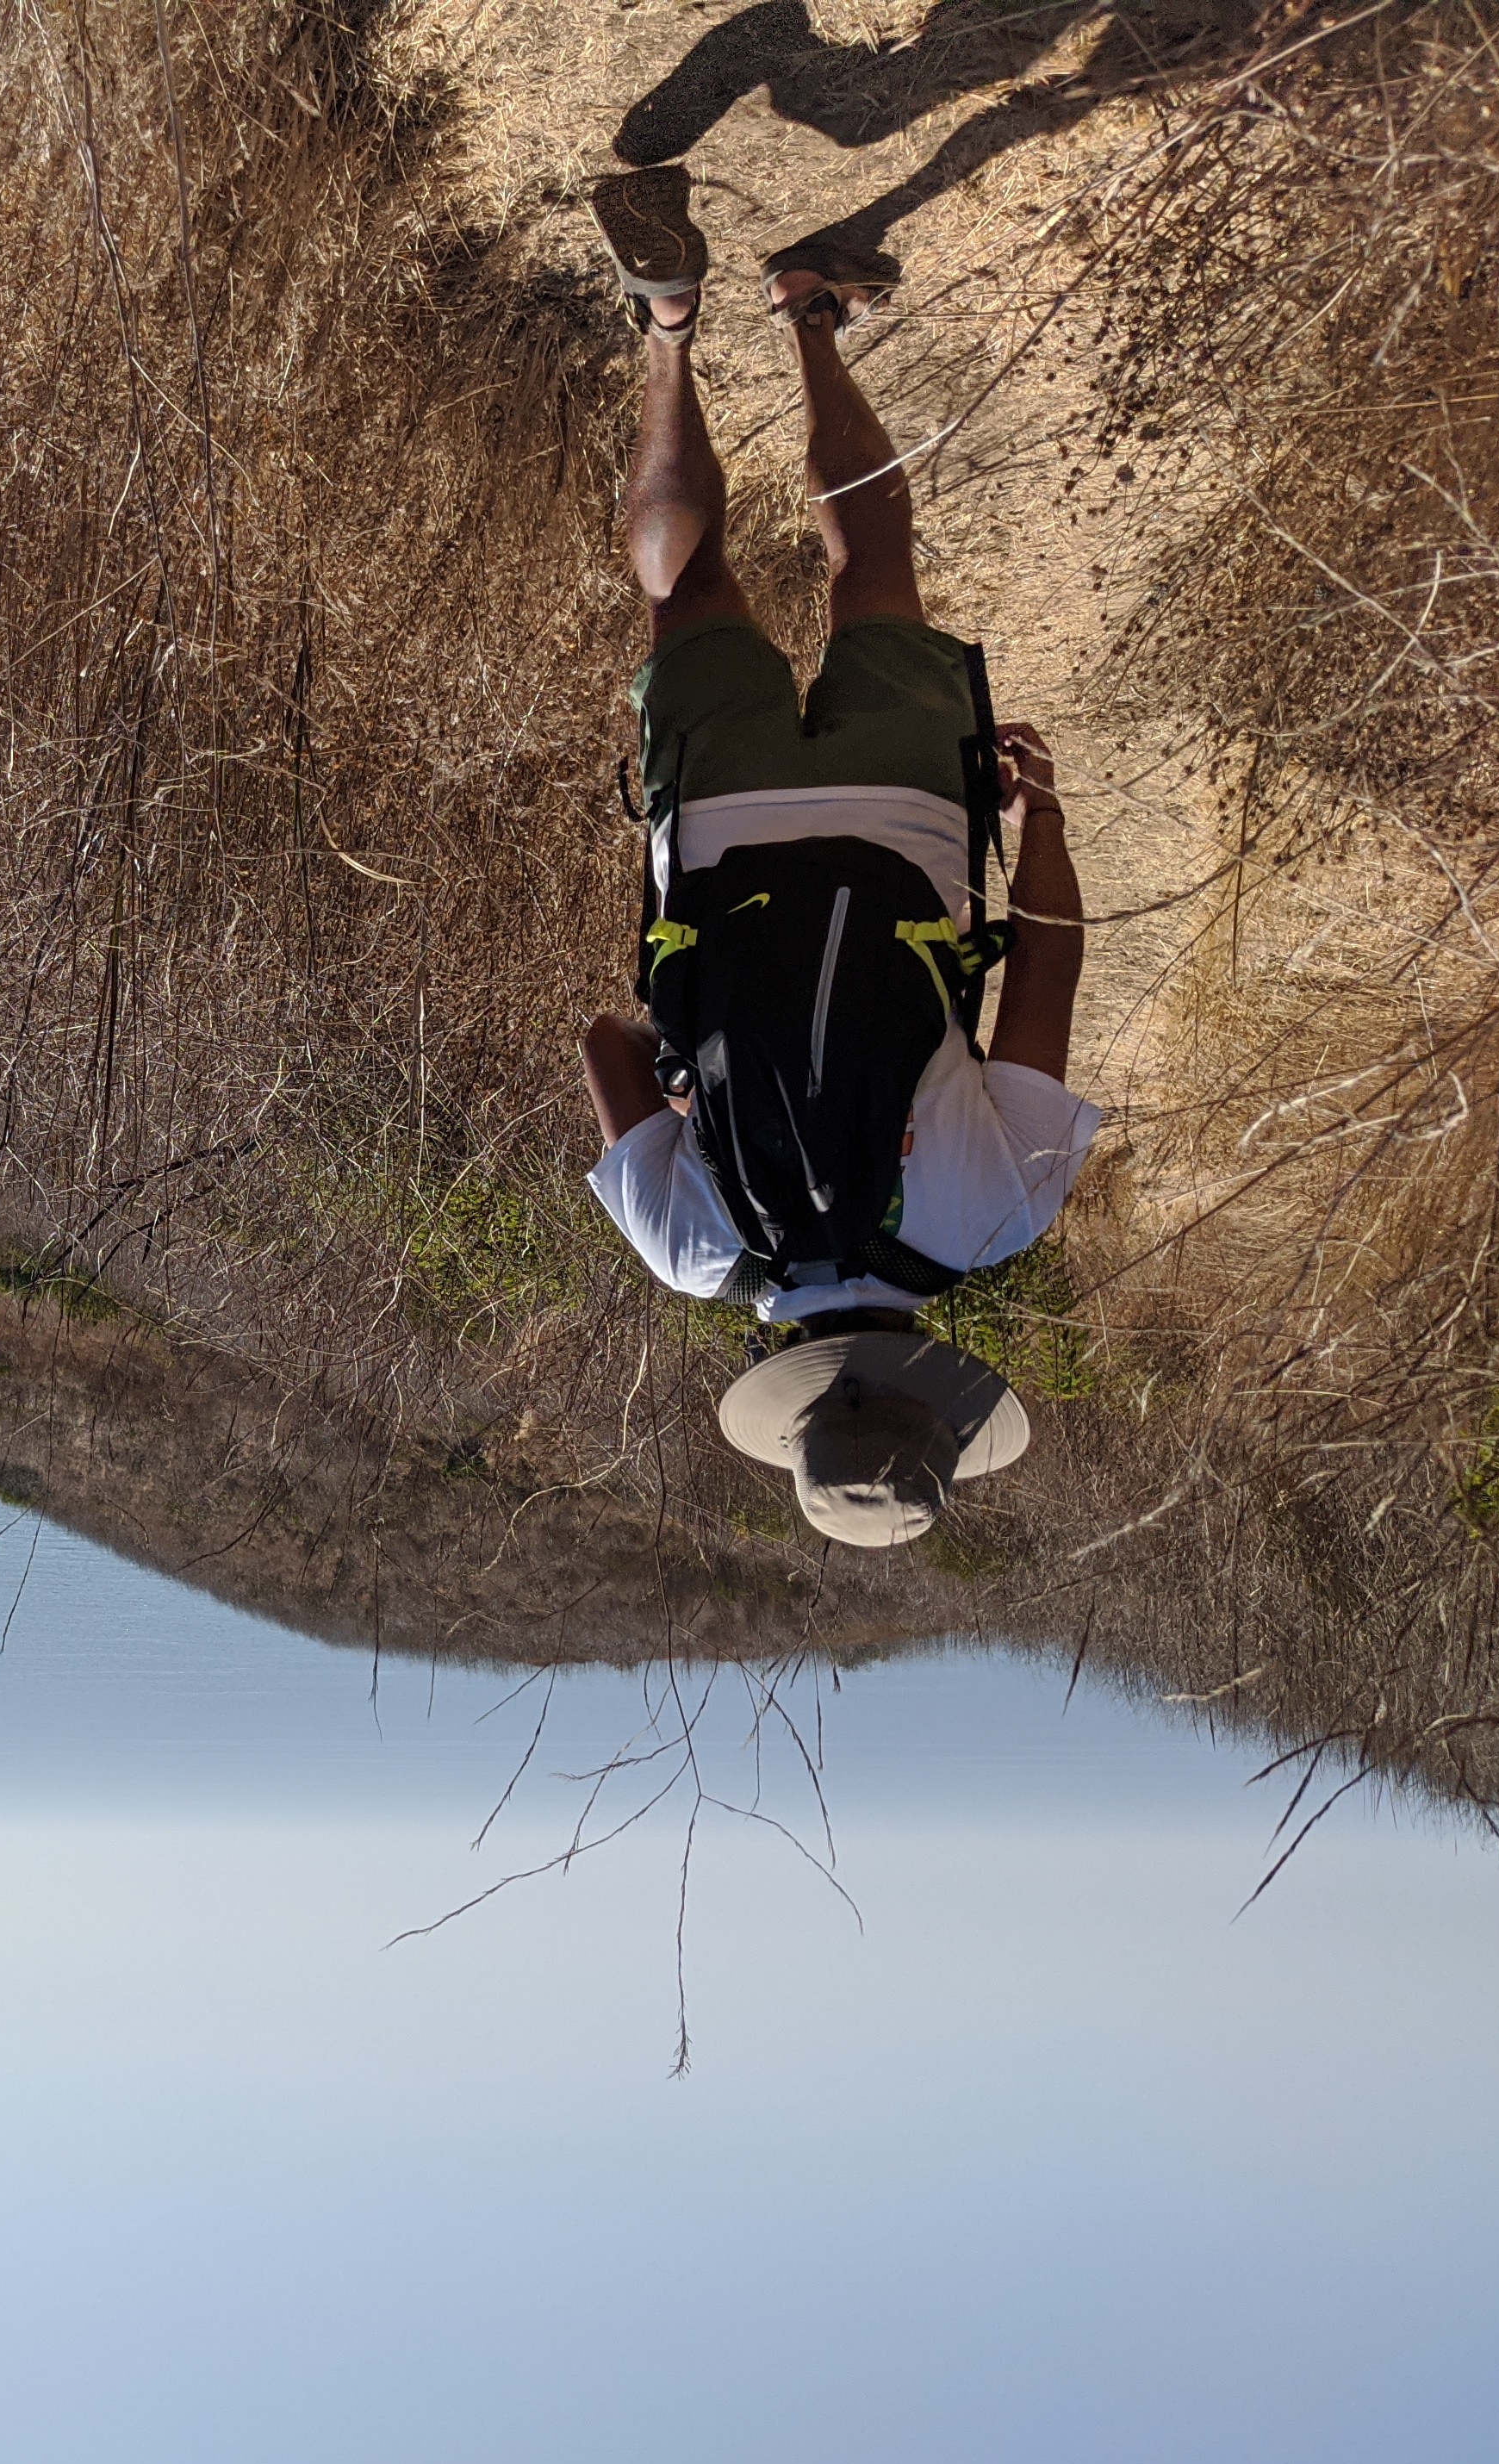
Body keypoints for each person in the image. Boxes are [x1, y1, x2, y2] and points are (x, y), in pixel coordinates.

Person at [577, 165, 1098, 1549]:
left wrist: (1037, 813)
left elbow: (1044, 971)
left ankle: (811, 312)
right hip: (721, 845)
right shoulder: (698, 1258)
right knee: (686, 590)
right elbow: (601, 1045)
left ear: (931, 1393)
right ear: (797, 1401)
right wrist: (691, 1076)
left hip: (907, 831)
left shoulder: (992, 1226)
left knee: (874, 570)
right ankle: (671, 327)